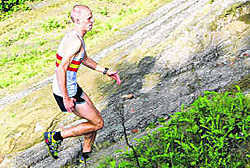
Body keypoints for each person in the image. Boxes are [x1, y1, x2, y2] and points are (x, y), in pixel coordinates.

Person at [43, 4, 121, 162]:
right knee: (98, 123)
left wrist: (105, 71)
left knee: (93, 120)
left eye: (92, 16)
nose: (92, 20)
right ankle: (55, 136)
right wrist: (66, 98)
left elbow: (83, 58)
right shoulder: (75, 42)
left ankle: (86, 154)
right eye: (89, 18)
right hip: (66, 91)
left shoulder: (76, 36)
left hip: (72, 88)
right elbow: (60, 70)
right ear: (78, 20)